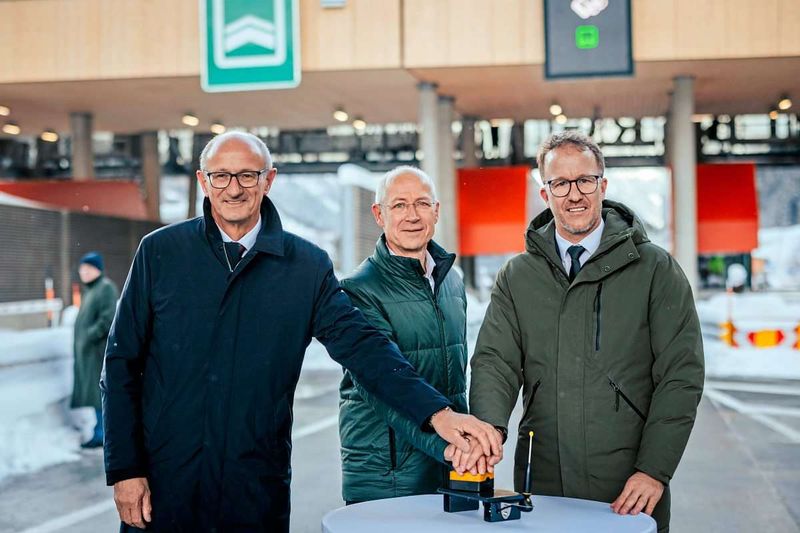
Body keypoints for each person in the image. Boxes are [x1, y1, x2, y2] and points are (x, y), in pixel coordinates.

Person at [101, 132, 502, 532]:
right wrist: (125, 469)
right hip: (165, 482)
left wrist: (437, 414)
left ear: (268, 180)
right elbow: (121, 363)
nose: (234, 188)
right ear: (204, 182)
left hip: (256, 485)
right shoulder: (160, 253)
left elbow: (366, 351)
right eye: (221, 176)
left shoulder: (304, 268)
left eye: (247, 175)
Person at [469, 131, 704, 532]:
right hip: (544, 478)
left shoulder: (654, 270)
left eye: (584, 180)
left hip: (627, 483)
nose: (573, 194)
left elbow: (680, 376)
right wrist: (489, 427)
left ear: (603, 185)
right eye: (560, 183)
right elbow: (496, 362)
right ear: (545, 194)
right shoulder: (518, 276)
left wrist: (654, 469)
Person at [339, 166, 487, 504]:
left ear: (436, 211)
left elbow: (455, 382)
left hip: (450, 463)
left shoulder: (451, 280)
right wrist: (451, 445)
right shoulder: (359, 289)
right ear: (379, 214)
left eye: (421, 204)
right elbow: (381, 386)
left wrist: (467, 442)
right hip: (388, 474)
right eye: (399, 205)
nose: (412, 216)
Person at [71, 251, 118, 449]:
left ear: (97, 270)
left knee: (100, 392)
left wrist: (90, 336)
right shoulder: (89, 290)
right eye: (82, 269)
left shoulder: (105, 288)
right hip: (88, 353)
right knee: (93, 393)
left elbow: (107, 319)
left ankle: (102, 434)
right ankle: (100, 431)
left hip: (97, 352)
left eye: (88, 269)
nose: (84, 272)